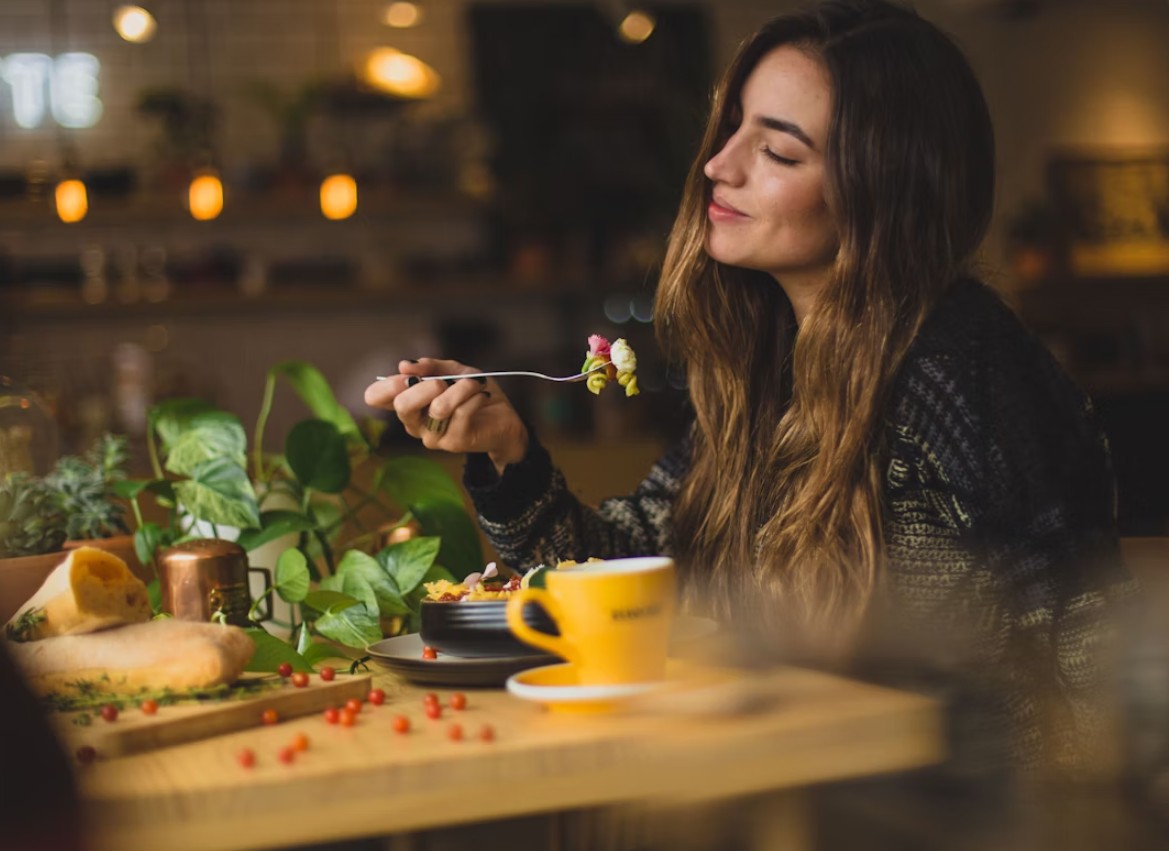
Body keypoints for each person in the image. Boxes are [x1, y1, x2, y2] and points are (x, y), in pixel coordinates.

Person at [366, 0, 1130, 771]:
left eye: (779, 153)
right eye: (731, 127)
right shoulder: (773, 369)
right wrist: (507, 450)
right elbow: (635, 568)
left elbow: (1087, 651)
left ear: (882, 191)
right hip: (806, 786)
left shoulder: (959, 368)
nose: (717, 164)